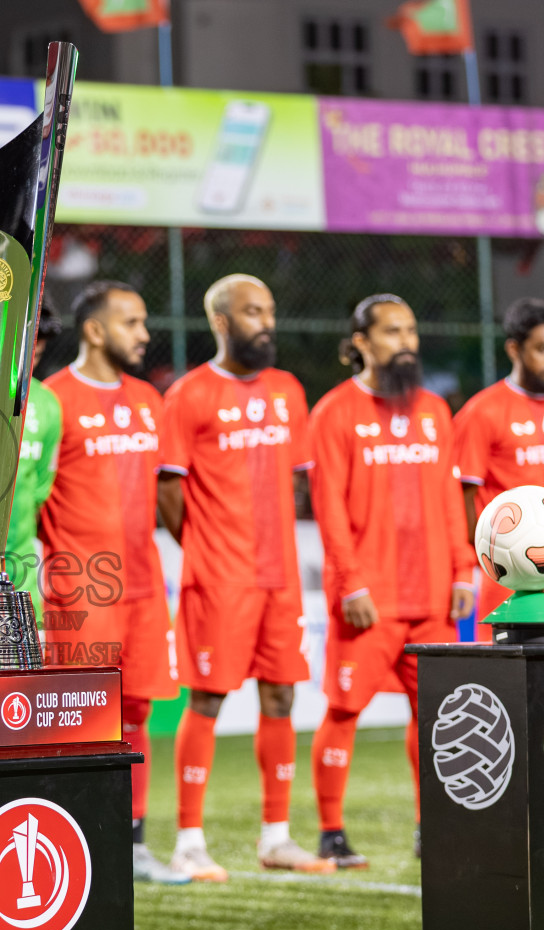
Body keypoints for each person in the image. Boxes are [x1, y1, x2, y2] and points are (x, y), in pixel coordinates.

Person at [158, 275, 332, 880]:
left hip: (279, 574)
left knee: (281, 694)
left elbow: (300, 480)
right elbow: (169, 490)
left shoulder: (288, 390)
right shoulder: (188, 395)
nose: (267, 321)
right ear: (223, 323)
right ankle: (188, 840)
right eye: (253, 312)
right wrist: (206, 547)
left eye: (270, 310)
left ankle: (277, 837)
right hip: (220, 578)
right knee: (207, 698)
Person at [307, 294, 474, 869]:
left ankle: (436, 827)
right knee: (344, 710)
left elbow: (452, 499)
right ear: (361, 343)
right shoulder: (333, 412)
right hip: (368, 600)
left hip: (432, 596)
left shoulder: (434, 409)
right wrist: (350, 583)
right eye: (392, 331)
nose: (406, 341)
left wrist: (463, 566)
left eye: (411, 330)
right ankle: (332, 833)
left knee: (439, 715)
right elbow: (327, 508)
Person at [41, 280, 188, 885]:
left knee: (137, 711)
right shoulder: (52, 400)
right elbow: (29, 498)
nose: (144, 334)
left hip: (145, 586)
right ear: (96, 330)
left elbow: (165, 493)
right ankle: (72, 840)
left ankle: (131, 842)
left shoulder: (150, 400)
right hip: (81, 587)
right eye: (132, 322)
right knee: (77, 715)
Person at [453, 298, 544, 640]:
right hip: (510, 577)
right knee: (510, 685)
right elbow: (461, 501)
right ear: (514, 349)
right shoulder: (482, 412)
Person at [7, 301, 64, 620]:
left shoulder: (46, 403)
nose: (31, 358)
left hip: (22, 576)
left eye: (38, 353)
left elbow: (40, 490)